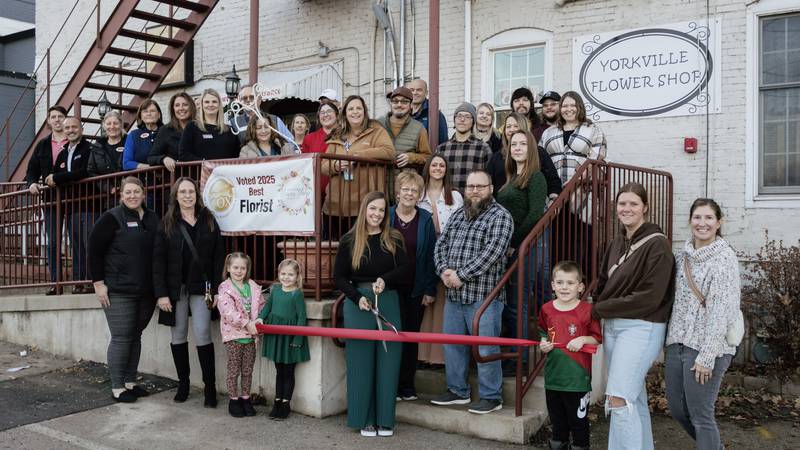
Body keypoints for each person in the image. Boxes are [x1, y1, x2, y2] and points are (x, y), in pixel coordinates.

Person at [592, 182, 674, 450]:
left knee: (618, 400)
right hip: (613, 326)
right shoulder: (616, 243)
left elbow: (649, 298)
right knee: (633, 398)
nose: (626, 209)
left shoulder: (658, 245)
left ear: (645, 208)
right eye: (622, 203)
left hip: (642, 327)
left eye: (633, 204)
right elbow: (603, 282)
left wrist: (600, 309)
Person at [431, 170, 513, 415]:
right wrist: (444, 270)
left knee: (486, 348)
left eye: (480, 186)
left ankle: (491, 397)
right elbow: (441, 244)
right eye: (471, 186)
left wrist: (461, 275)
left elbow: (493, 252)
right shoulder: (458, 214)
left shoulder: (500, 216)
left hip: (484, 297)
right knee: (452, 345)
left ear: (491, 188)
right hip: (454, 295)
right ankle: (458, 391)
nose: (475, 191)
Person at [665, 198, 740, 450]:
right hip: (678, 342)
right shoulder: (682, 256)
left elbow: (721, 311)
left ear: (719, 223)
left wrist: (707, 356)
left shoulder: (724, 259)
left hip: (707, 348)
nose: (702, 223)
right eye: (697, 217)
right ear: (690, 220)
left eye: (709, 218)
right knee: (678, 409)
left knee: (701, 416)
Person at [333, 191, 409, 437]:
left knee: (389, 361)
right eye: (373, 208)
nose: (377, 214)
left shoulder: (394, 238)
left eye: (381, 210)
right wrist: (356, 297)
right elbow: (339, 278)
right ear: (364, 209)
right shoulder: (349, 240)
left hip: (388, 300)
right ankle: (364, 419)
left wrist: (385, 280)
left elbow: (406, 268)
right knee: (361, 363)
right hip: (359, 304)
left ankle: (385, 420)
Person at [153, 177, 225, 408]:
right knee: (178, 335)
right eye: (182, 192)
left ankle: (209, 387)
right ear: (176, 196)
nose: (187, 195)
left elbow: (218, 257)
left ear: (197, 194)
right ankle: (183, 383)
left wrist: (216, 289)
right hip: (176, 289)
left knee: (203, 333)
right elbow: (158, 261)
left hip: (202, 288)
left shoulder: (209, 219)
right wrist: (161, 294)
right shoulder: (167, 223)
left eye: (191, 191)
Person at [88, 176, 159, 403]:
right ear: (121, 195)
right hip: (119, 291)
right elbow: (94, 251)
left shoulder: (152, 218)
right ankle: (117, 387)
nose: (132, 196)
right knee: (121, 337)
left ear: (143, 193)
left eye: (136, 191)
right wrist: (98, 284)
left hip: (146, 291)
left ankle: (130, 382)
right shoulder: (111, 218)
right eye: (128, 192)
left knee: (135, 335)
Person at [495, 130, 548, 375]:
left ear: (531, 149)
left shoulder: (536, 177)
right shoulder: (510, 178)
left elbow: (535, 214)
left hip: (527, 246)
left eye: (523, 144)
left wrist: (514, 242)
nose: (517, 148)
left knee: (519, 304)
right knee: (512, 304)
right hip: (511, 247)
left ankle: (521, 359)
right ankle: (515, 354)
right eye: (513, 144)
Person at [538, 261, 602, 450]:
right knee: (558, 424)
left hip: (577, 380)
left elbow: (597, 338)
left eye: (570, 283)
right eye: (559, 282)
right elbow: (543, 332)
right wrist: (543, 343)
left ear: (580, 287)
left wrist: (583, 339)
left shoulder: (587, 310)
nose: (564, 287)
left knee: (578, 423)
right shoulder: (546, 309)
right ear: (553, 285)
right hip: (553, 378)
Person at [388, 172, 437, 401]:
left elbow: (430, 256)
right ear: (398, 192)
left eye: (414, 190)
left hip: (415, 288)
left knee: (409, 337)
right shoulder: (386, 215)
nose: (409, 193)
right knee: (390, 336)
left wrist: (430, 289)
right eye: (405, 189)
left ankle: (406, 387)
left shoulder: (425, 219)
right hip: (388, 288)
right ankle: (390, 386)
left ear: (419, 195)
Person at [321, 95, 395, 240]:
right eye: (351, 109)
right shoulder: (337, 135)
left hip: (364, 205)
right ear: (345, 113)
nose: (355, 112)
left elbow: (389, 152)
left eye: (358, 108)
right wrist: (336, 165)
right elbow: (323, 166)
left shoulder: (376, 131)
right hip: (335, 206)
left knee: (361, 248)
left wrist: (358, 156)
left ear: (364, 111)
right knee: (336, 248)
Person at [416, 153, 463, 367]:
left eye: (441, 165)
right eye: (434, 165)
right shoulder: (419, 194)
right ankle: (422, 354)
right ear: (428, 168)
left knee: (442, 304)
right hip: (424, 251)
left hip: (448, 252)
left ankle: (439, 357)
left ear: (446, 170)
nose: (437, 168)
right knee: (425, 302)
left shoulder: (455, 196)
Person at [255, 258, 310, 420]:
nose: (286, 277)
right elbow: (268, 307)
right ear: (278, 274)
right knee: (279, 371)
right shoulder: (275, 290)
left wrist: (298, 339)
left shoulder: (297, 294)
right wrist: (260, 318)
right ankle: (277, 402)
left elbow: (301, 317)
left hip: (290, 337)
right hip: (276, 336)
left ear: (297, 276)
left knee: (288, 371)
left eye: (290, 275)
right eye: (283, 274)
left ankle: (286, 404)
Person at [25, 105, 69, 295]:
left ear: (65, 119)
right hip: (51, 199)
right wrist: (32, 183)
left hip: (75, 197)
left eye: (60, 116)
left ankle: (80, 281)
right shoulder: (42, 144)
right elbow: (32, 169)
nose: (57, 120)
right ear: (49, 121)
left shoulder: (73, 140)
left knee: (78, 241)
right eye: (53, 117)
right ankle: (56, 283)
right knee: (53, 242)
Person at [216, 252, 265, 418]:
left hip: (251, 337)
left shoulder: (253, 286)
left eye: (242, 268)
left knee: (247, 371)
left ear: (247, 269)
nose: (239, 271)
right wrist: (246, 323)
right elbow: (228, 312)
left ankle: (245, 399)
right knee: (233, 370)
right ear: (228, 268)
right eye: (235, 267)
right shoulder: (225, 288)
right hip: (234, 337)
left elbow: (261, 305)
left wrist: (260, 319)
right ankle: (233, 400)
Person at [52, 117, 94, 293]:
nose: (70, 130)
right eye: (67, 127)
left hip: (89, 205)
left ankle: (92, 282)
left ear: (81, 129)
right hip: (71, 207)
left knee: (89, 244)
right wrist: (57, 178)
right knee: (76, 247)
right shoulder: (63, 153)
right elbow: (56, 174)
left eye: (74, 127)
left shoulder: (89, 148)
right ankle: (79, 283)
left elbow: (85, 172)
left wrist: (58, 178)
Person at [487, 112, 561, 203]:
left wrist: (553, 200)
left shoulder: (538, 152)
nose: (511, 129)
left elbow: (553, 181)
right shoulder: (497, 157)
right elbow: (488, 183)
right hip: (501, 207)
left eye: (516, 126)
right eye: (508, 126)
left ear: (524, 128)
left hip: (533, 207)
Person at [539, 91, 607, 188]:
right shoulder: (548, 132)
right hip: (553, 189)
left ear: (580, 107)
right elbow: (540, 159)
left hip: (582, 187)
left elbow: (595, 159)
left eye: (573, 105)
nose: (569, 109)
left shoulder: (593, 130)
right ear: (560, 108)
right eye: (565, 106)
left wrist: (576, 180)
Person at [435, 102, 492, 193]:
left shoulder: (483, 149)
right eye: (459, 116)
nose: (462, 119)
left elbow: (489, 179)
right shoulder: (441, 149)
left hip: (473, 199)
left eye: (467, 116)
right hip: (447, 199)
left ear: (473, 121)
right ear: (454, 120)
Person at [377, 86, 432, 174]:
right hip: (379, 178)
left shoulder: (419, 128)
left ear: (411, 105)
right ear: (391, 104)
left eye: (404, 102)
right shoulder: (378, 124)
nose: (399, 105)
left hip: (404, 181)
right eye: (395, 101)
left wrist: (411, 157)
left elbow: (428, 157)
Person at [179, 89, 240, 161]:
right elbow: (183, 155)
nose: (210, 105)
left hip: (224, 168)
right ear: (202, 105)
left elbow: (237, 156)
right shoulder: (192, 127)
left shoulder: (230, 130)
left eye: (214, 102)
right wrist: (205, 163)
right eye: (207, 102)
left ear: (219, 105)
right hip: (201, 168)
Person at [148, 92, 196, 172]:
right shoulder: (165, 130)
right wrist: (164, 159)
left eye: (185, 105)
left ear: (191, 107)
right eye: (177, 105)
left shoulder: (200, 128)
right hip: (176, 177)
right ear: (173, 109)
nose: (181, 108)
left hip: (200, 176)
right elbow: (151, 158)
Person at [302, 101, 339, 194]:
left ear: (337, 115)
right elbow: (305, 167)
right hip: (316, 192)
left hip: (340, 191)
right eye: (322, 113)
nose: (325, 115)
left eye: (329, 111)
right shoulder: (309, 138)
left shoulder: (346, 135)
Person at [123, 99, 162, 171]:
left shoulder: (167, 132)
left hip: (166, 176)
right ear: (140, 116)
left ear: (159, 115)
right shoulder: (133, 135)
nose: (149, 114)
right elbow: (126, 163)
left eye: (152, 111)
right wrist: (148, 167)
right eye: (145, 111)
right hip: (142, 177)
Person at [408, 78, 448, 146]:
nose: (415, 93)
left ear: (426, 93)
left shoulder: (435, 114)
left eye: (419, 90)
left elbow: (443, 143)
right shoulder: (404, 113)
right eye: (412, 90)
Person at [88, 111, 127, 176]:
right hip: (104, 183)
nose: (112, 126)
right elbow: (91, 171)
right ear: (104, 126)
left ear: (121, 125)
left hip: (128, 182)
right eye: (108, 124)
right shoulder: (97, 147)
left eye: (115, 123)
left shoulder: (130, 142)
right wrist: (105, 183)